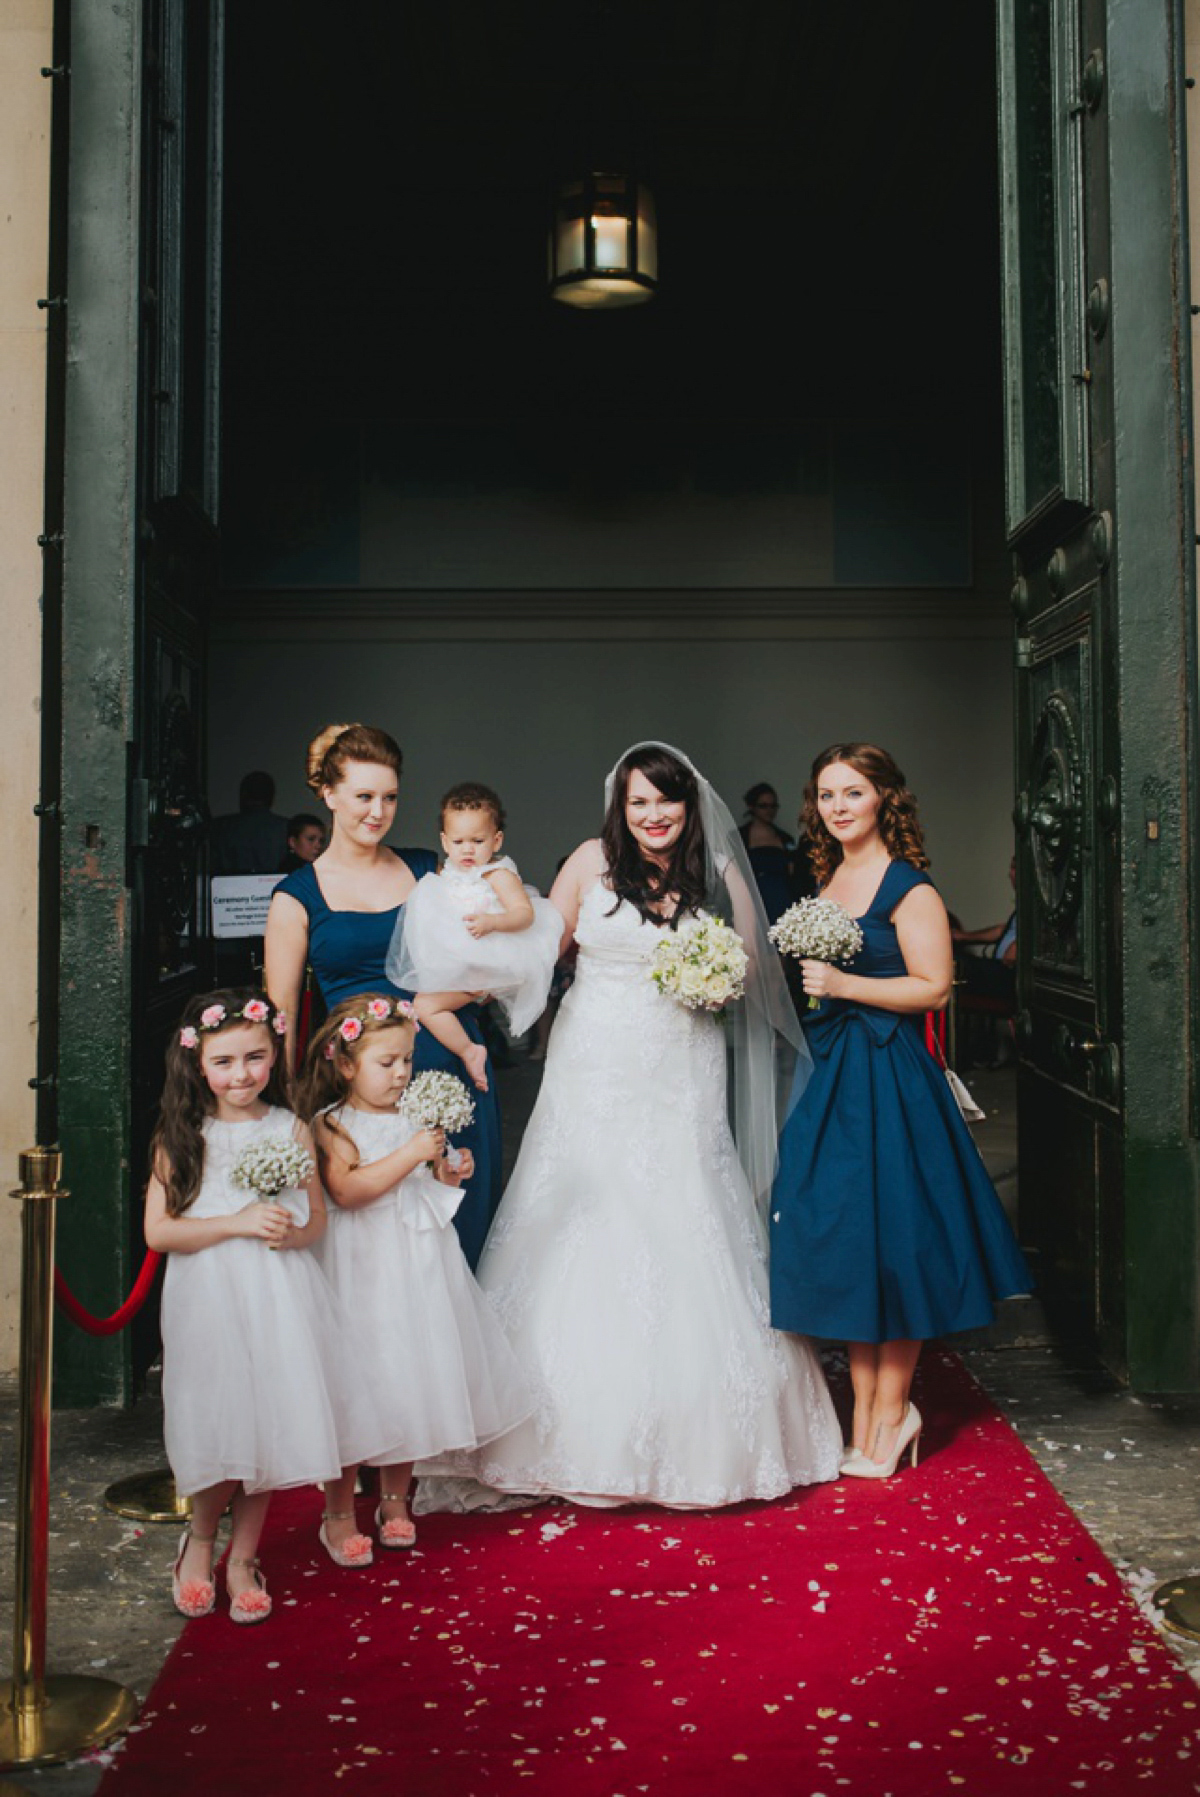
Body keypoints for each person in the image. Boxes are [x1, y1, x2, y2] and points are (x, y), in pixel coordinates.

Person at [417, 742, 842, 1511]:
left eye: (666, 802)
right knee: (581, 1205)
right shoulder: (589, 861)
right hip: (593, 1061)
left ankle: (697, 1431)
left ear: (688, 805)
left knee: (686, 1203)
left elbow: (751, 971)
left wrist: (716, 981)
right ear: (621, 806)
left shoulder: (715, 870)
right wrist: (454, 987)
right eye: (639, 802)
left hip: (683, 1064)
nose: (654, 815)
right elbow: (542, 952)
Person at [768, 745, 1032, 1481]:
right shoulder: (828, 878)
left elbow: (935, 987)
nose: (838, 805)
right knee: (852, 1239)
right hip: (836, 1074)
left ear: (886, 797)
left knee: (899, 1238)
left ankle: (891, 1414)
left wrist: (845, 984)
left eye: (854, 791)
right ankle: (863, 1415)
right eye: (826, 794)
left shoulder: (909, 886)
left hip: (891, 1076)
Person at [143, 989, 394, 1624]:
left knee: (269, 1425)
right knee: (219, 1420)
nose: (242, 1075)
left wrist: (292, 1231)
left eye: (255, 1058)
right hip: (209, 1297)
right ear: (198, 1064)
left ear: (274, 1051)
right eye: (224, 1062)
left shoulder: (290, 1127)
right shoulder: (183, 1133)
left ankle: (243, 1557)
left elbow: (315, 1224)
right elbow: (160, 1233)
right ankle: (199, 1545)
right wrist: (238, 1222)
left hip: (281, 1294)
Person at [294, 994, 531, 1564]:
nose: (401, 1073)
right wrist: (412, 1154)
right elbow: (349, 1192)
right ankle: (339, 1513)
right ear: (345, 1064)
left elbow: (425, 1188)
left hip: (417, 1268)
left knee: (409, 1381)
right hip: (361, 1273)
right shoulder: (331, 1125)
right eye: (386, 1062)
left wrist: (449, 1170)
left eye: (407, 1060)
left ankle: (397, 1500)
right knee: (357, 1388)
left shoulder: (416, 1116)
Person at [263, 723, 502, 1268]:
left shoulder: (428, 870)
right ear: (328, 794)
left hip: (448, 1071)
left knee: (460, 1232)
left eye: (390, 797)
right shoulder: (295, 897)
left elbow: (482, 954)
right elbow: (280, 1017)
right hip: (361, 1096)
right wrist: (289, 1116)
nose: (378, 811)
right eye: (364, 796)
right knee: (380, 1253)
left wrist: (484, 983)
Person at [387, 782, 561, 1091]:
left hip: (488, 966)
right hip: (460, 962)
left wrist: (494, 922)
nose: (468, 849)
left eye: (478, 841)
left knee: (425, 1006)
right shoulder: (446, 874)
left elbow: (524, 913)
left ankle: (470, 1051)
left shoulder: (497, 874)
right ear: (444, 841)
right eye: (458, 841)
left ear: (496, 841)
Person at [209, 770, 289, 876]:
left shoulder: (220, 827)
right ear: (271, 796)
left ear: (243, 794)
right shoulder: (287, 827)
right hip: (275, 889)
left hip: (228, 889)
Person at [738, 781, 795, 923]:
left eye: (773, 806)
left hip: (782, 900)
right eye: (763, 806)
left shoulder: (785, 837)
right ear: (752, 807)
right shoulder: (739, 837)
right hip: (752, 902)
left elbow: (793, 873)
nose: (769, 810)